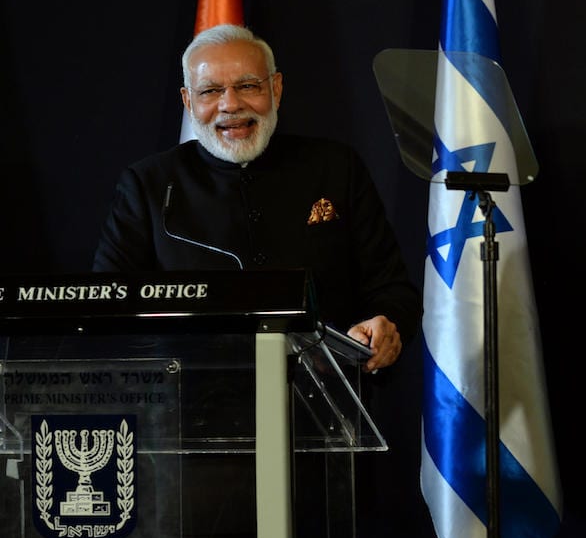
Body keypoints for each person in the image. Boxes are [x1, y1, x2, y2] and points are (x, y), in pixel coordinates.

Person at [93, 24, 420, 372]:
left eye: (248, 86)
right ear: (188, 102)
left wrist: (384, 324)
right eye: (210, 91)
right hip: (191, 406)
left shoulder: (336, 168)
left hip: (323, 402)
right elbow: (107, 305)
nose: (230, 104)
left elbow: (393, 290)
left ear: (276, 89)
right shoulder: (149, 184)